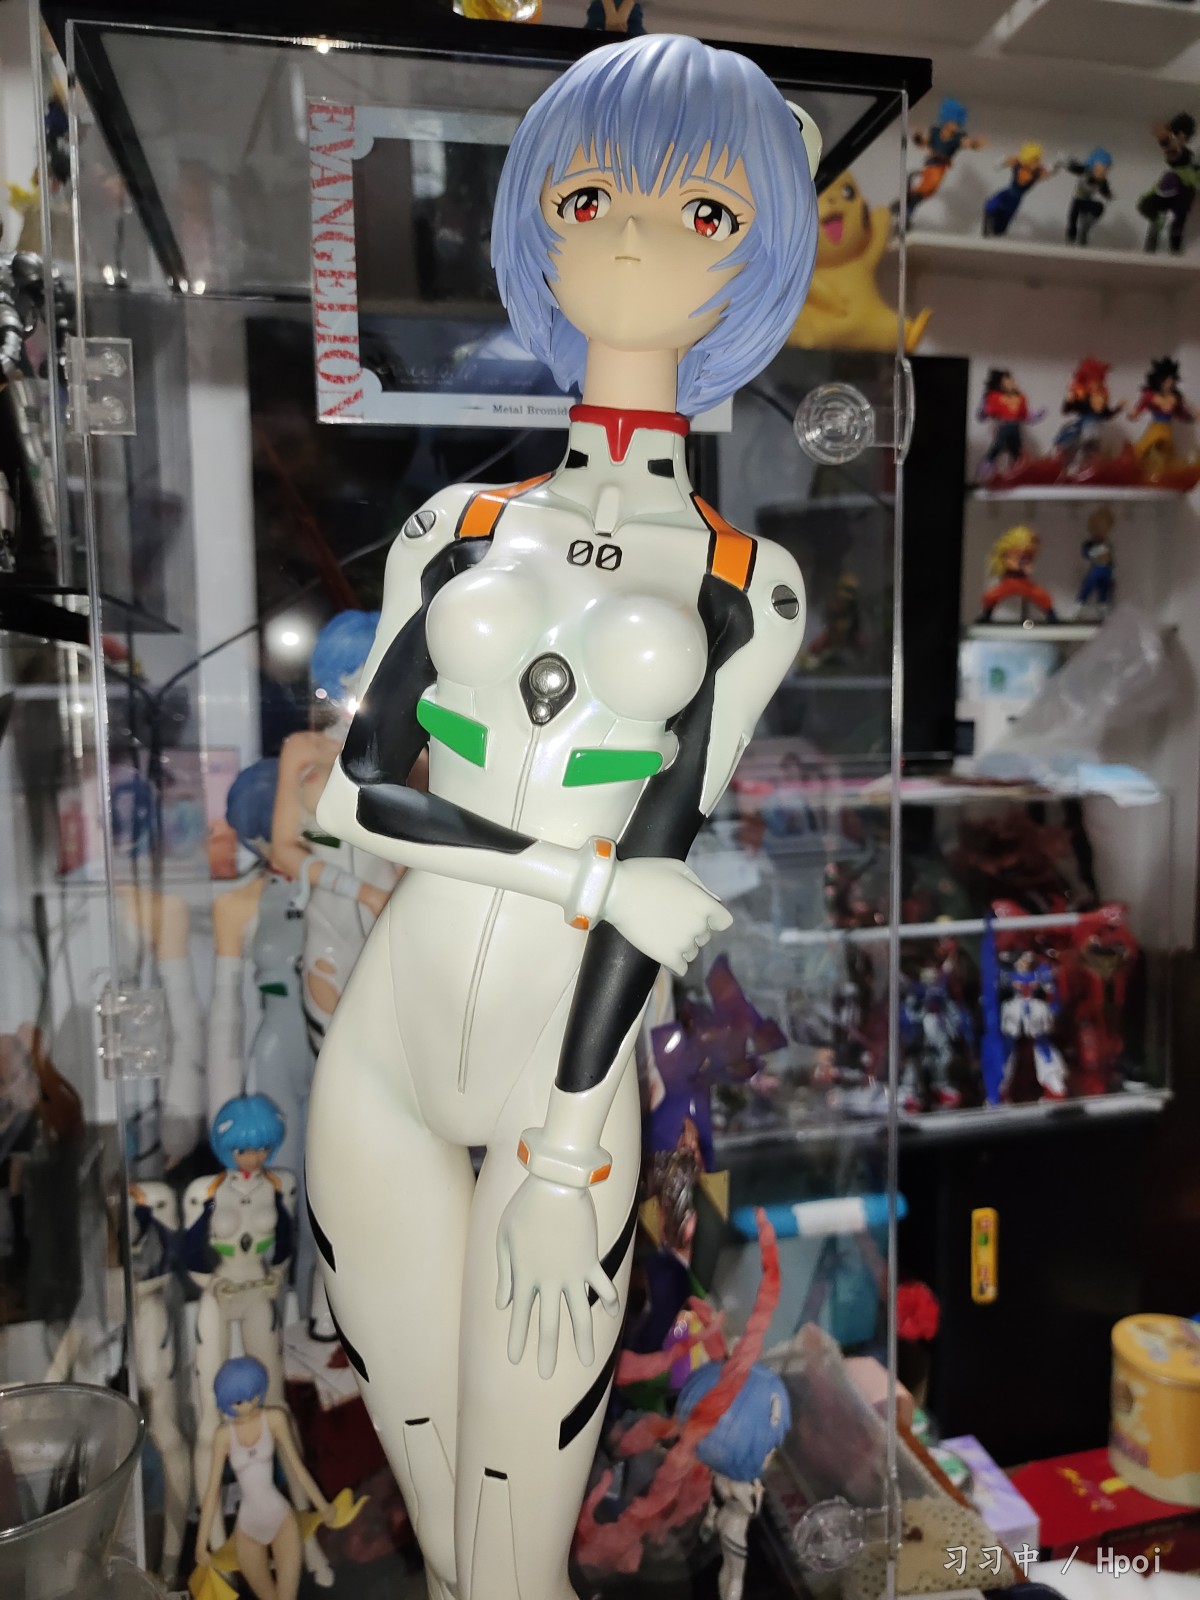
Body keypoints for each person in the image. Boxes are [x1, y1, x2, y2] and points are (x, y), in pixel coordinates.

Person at [306, 34, 819, 1600]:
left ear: (761, 252)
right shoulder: (455, 525)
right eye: (593, 195)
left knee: (513, 1560)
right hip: (382, 1063)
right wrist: (578, 878)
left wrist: (571, 1148)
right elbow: (358, 795)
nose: (637, 238)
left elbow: (661, 853)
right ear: (537, 215)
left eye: (706, 211)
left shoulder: (746, 582)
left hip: (564, 1092)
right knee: (447, 1536)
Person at [194, 1356, 335, 1600]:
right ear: (227, 1402)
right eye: (239, 1401)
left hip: (281, 1519)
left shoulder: (274, 1419)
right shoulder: (224, 1436)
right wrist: (200, 1544)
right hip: (248, 1528)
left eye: (254, 1396)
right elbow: (212, 1492)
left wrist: (323, 1506)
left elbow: (297, 1469)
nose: (249, 1405)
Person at [1064, 148, 1113, 246]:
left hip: (1087, 201)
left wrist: (1108, 195)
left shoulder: (1102, 181)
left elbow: (1106, 192)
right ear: (1093, 166)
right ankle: (1071, 238)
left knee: (1099, 207)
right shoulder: (1085, 171)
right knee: (1073, 220)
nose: (1102, 172)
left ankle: (1084, 232)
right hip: (1078, 200)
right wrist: (1069, 162)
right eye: (1100, 168)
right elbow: (1074, 167)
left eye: (1105, 169)